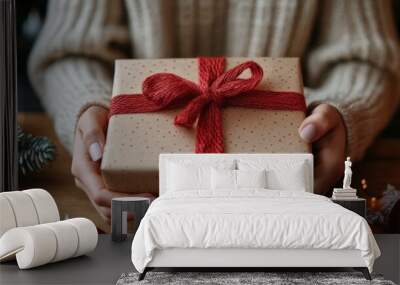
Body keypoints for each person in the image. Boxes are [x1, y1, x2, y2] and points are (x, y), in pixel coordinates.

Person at [28, 0, 400, 222]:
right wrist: (88, 108)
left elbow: (365, 59)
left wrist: (343, 113)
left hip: (298, 167)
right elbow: (72, 53)